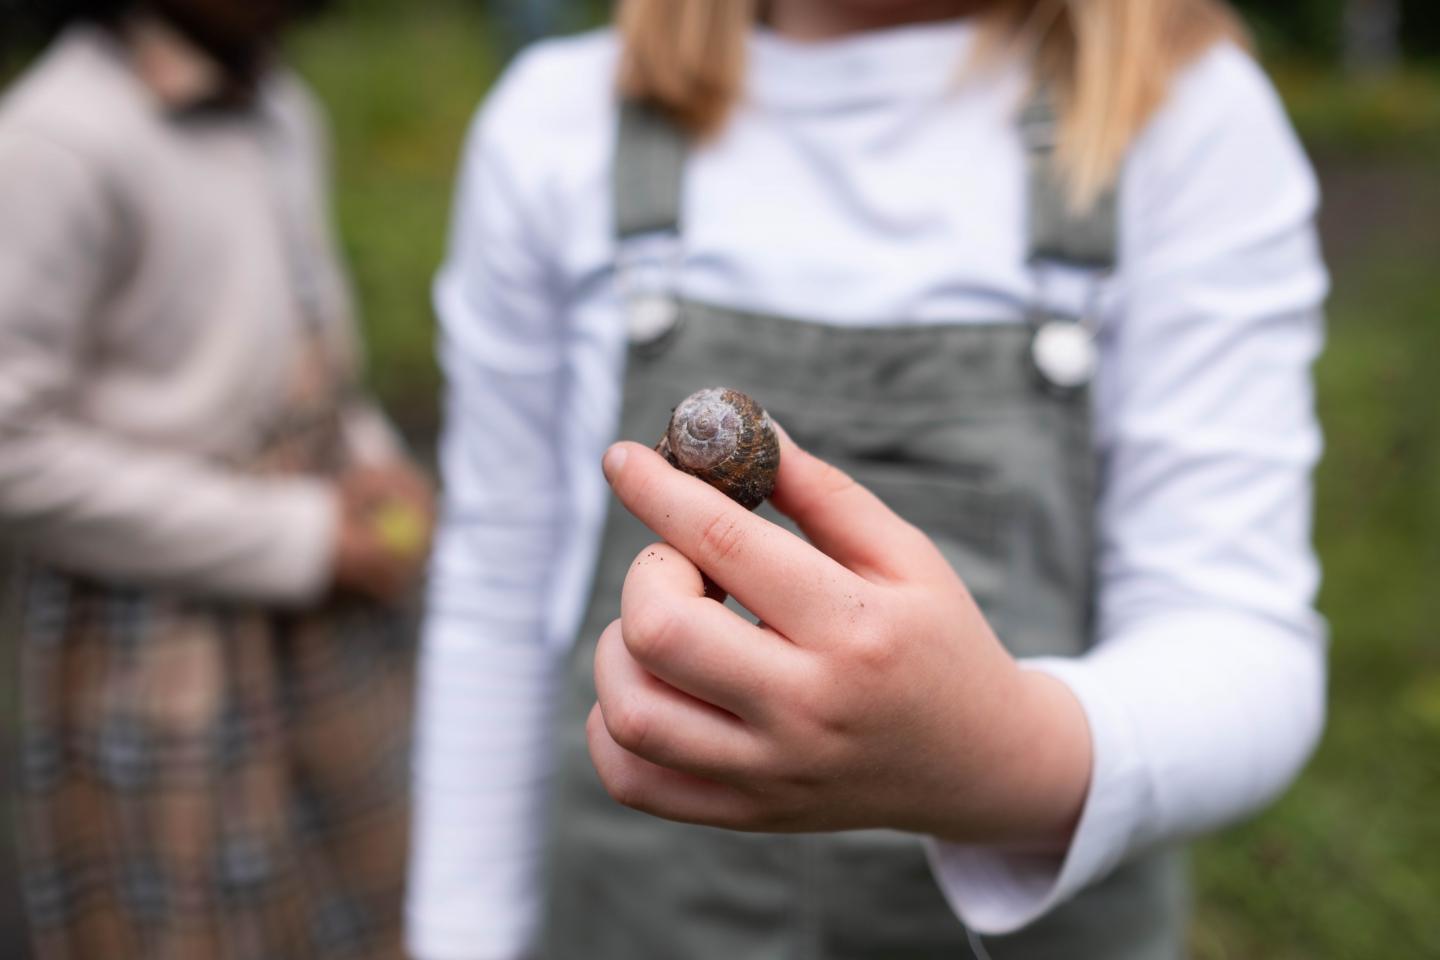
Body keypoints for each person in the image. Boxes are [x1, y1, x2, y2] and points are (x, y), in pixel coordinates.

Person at [408, 0, 1329, 957]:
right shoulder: (556, 124)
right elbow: (496, 598)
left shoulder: (1186, 119)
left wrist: (999, 752)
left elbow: (1243, 639)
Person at [0, 1, 433, 957]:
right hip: (155, 643)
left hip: (328, 621)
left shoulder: (282, 105)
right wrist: (302, 539)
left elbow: (308, 348)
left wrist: (372, 460)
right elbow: (11, 449)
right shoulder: (55, 143)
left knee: (361, 905)